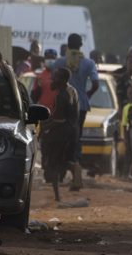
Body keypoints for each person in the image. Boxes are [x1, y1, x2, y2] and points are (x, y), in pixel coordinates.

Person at [53, 33, 99, 192]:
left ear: (68, 44)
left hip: (64, 105)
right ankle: (76, 176)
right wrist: (87, 95)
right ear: (81, 46)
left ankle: (60, 174)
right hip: (81, 106)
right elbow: (95, 83)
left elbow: (54, 82)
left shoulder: (60, 62)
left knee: (59, 138)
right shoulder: (88, 63)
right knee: (75, 138)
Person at [39, 68, 79, 202]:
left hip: (61, 133)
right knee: (66, 160)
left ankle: (57, 196)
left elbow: (59, 119)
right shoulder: (72, 90)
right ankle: (76, 175)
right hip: (72, 132)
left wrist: (44, 126)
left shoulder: (61, 96)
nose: (52, 80)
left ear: (62, 80)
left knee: (53, 163)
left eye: (55, 77)